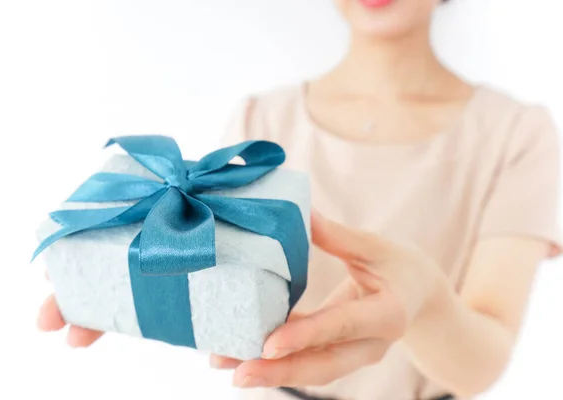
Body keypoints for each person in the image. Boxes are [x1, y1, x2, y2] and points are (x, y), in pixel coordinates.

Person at [37, 0, 562, 399]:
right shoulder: (259, 128)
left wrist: (424, 302)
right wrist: (126, 286)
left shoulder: (517, 134)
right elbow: (220, 287)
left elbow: (485, 360)